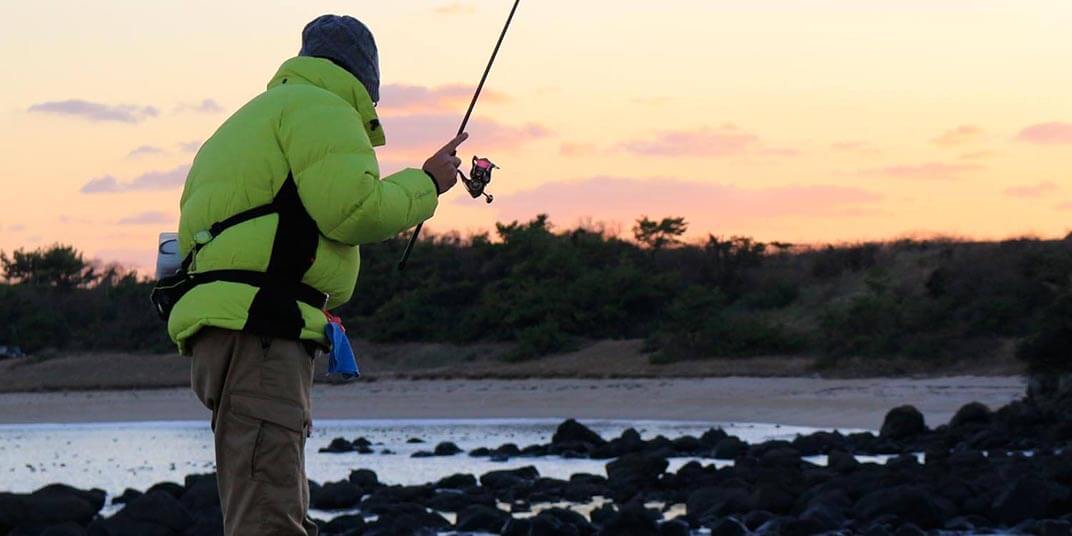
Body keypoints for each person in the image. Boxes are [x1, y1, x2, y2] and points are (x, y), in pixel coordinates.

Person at [166, 14, 466, 535]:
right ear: (366, 79)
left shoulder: (248, 119)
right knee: (270, 516)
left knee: (259, 495)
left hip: (225, 330)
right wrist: (427, 184)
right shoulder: (324, 109)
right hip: (262, 328)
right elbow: (353, 211)